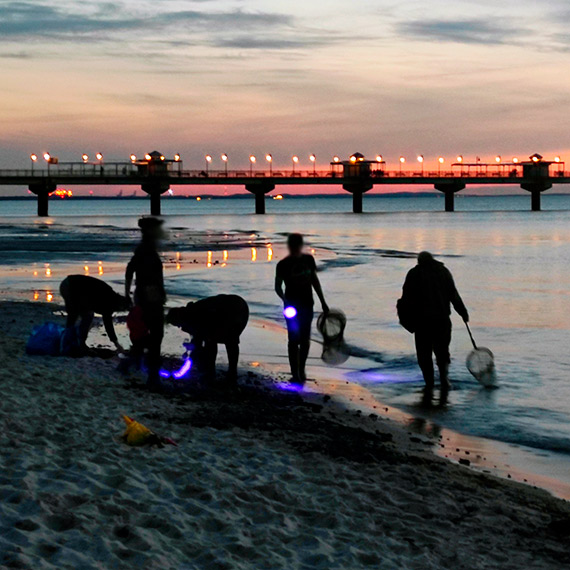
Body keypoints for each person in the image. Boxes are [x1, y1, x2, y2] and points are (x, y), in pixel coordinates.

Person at [399, 251, 469, 394]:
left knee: (424, 355)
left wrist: (405, 319)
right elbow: (453, 294)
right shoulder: (443, 272)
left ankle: (429, 383)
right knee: (442, 352)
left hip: (422, 322)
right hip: (442, 320)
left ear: (420, 261)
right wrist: (462, 312)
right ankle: (444, 380)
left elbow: (406, 298)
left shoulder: (414, 274)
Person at [275, 233, 329, 384]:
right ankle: (295, 372)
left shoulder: (308, 260)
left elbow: (314, 280)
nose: (294, 247)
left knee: (304, 339)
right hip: (291, 306)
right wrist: (284, 299)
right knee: (293, 339)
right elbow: (278, 286)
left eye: (297, 244)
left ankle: (301, 369)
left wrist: (323, 301)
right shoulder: (283, 264)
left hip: (307, 303)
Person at [167, 295, 249, 384]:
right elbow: (199, 339)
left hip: (233, 308)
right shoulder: (192, 314)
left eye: (178, 324)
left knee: (228, 340)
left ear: (180, 317)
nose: (180, 327)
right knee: (221, 339)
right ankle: (220, 372)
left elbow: (205, 340)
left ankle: (228, 373)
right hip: (236, 305)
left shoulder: (197, 315)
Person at [125, 217, 166, 389]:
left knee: (148, 337)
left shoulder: (145, 248)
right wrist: (127, 293)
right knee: (155, 337)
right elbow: (132, 271)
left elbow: (130, 270)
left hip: (146, 297)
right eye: (158, 229)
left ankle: (129, 365)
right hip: (149, 299)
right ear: (150, 231)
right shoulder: (146, 249)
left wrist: (128, 293)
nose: (162, 233)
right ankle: (152, 377)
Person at [60, 275, 129, 353]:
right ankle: (69, 343)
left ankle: (79, 343)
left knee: (86, 315)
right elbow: (108, 323)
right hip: (71, 286)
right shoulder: (108, 301)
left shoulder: (110, 296)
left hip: (75, 287)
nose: (119, 311)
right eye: (122, 309)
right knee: (79, 316)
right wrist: (116, 343)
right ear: (120, 305)